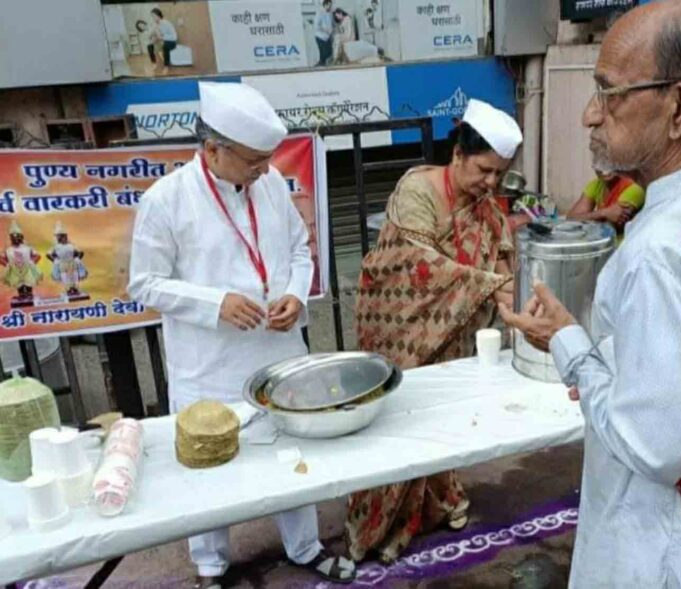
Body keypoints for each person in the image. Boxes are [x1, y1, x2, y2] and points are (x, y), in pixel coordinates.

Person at [499, 2, 681, 586]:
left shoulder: (661, 252)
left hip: (666, 553)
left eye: (609, 92)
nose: (590, 117)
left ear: (677, 107)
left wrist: (568, 343)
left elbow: (656, 446)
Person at [129, 82, 356, 588]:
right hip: (207, 363)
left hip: (277, 350)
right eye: (254, 160)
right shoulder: (165, 200)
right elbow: (143, 283)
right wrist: (216, 304)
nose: (263, 169)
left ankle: (305, 547)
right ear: (212, 149)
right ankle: (211, 567)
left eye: (267, 159)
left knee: (293, 454)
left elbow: (300, 250)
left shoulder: (270, 183)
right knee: (209, 469)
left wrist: (296, 294)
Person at [348, 99, 522, 563]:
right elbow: (419, 268)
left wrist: (509, 290)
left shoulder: (483, 205)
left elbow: (501, 250)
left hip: (453, 330)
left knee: (442, 421)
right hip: (398, 325)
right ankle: (382, 527)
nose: (491, 183)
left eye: (499, 175)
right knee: (400, 424)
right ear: (459, 155)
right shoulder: (417, 191)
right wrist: (492, 285)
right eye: (484, 170)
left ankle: (437, 502)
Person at [567, 170, 645, 237]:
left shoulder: (633, 189)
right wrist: (603, 213)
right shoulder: (595, 184)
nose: (604, 169)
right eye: (600, 164)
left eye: (607, 164)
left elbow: (610, 227)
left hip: (625, 246)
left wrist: (588, 217)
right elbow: (571, 219)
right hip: (603, 244)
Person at [1, 221, 42, 306]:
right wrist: (7, 264)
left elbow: (37, 255)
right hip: (15, 270)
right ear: (11, 239)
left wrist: (32, 262)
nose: (16, 240)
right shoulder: (8, 250)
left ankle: (29, 294)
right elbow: (1, 258)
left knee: (28, 281)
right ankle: (21, 295)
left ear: (21, 238)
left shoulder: (27, 248)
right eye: (13, 238)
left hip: (27, 269)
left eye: (17, 238)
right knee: (18, 283)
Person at [47, 221, 87, 298]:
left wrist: (78, 258)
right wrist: (55, 260)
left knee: (74, 275)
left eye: (60, 236)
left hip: (72, 263)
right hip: (62, 264)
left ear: (64, 236)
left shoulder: (71, 245)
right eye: (57, 236)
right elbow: (48, 255)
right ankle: (68, 290)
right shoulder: (56, 247)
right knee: (65, 276)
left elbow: (80, 252)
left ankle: (75, 289)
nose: (59, 238)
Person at [149, 8, 177, 75]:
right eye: (152, 16)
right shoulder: (156, 25)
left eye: (153, 16)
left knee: (165, 46)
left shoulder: (166, 23)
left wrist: (162, 37)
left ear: (158, 15)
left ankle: (166, 66)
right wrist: (153, 36)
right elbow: (155, 35)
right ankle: (154, 63)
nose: (152, 18)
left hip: (172, 41)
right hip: (163, 40)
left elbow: (174, 37)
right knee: (150, 45)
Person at [314, 0, 333, 67]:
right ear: (325, 5)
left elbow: (331, 24)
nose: (330, 6)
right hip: (320, 36)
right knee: (324, 54)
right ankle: (320, 65)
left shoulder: (330, 14)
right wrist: (326, 30)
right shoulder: (319, 13)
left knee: (329, 52)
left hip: (327, 37)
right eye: (329, 5)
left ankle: (322, 64)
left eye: (331, 5)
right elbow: (316, 26)